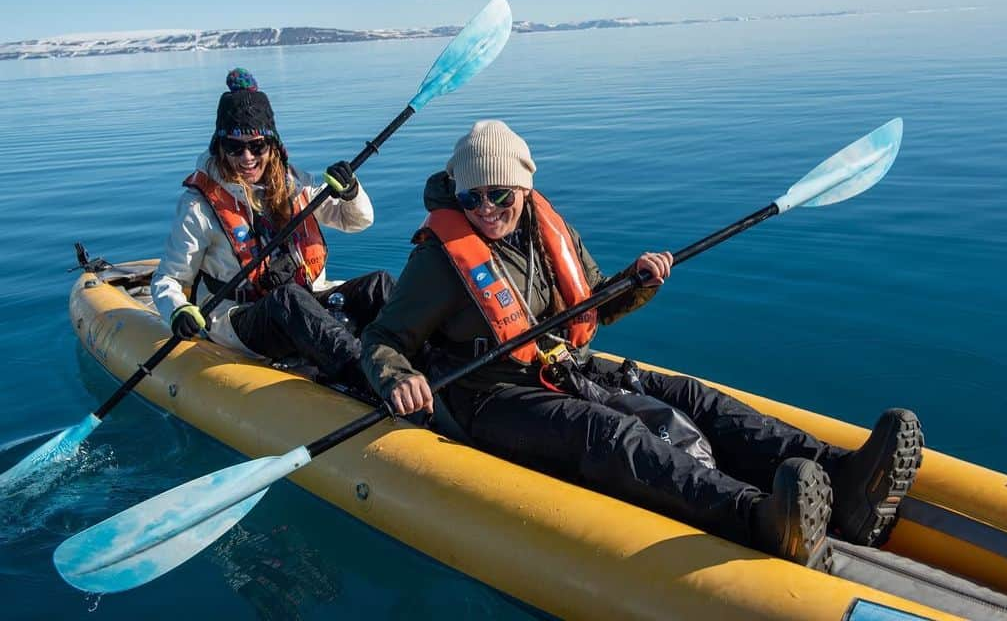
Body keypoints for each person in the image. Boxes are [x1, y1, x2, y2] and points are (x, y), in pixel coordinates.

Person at [360, 119, 923, 568]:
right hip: (489, 396)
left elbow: (595, 305)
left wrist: (639, 282)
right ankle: (756, 518)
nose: (485, 210)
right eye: (472, 196)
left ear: (525, 189)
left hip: (564, 367)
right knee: (607, 433)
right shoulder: (438, 261)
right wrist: (396, 376)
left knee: (694, 397)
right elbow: (384, 337)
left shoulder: (545, 230)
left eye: (499, 195)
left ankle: (844, 481)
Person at [152, 68, 393, 393]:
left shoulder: (296, 184)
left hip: (306, 301)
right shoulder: (198, 206)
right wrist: (177, 309)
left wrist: (350, 192)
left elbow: (356, 221)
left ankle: (431, 353)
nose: (247, 157)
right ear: (219, 146)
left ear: (273, 145)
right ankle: (370, 379)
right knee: (288, 300)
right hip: (241, 318)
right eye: (234, 147)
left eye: (257, 146)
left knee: (379, 284)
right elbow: (169, 278)